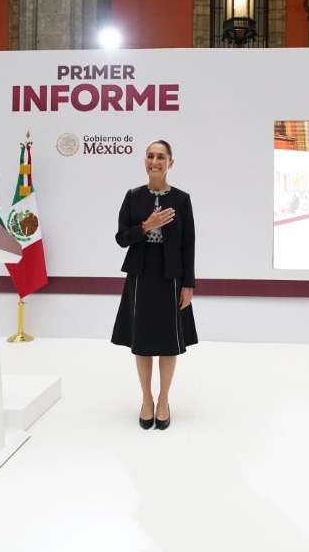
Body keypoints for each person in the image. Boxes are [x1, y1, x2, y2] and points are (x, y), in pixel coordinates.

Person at [111, 140, 197, 431]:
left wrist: (188, 284)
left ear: (170, 163)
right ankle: (146, 399)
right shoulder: (133, 196)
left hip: (171, 276)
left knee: (169, 341)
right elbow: (122, 238)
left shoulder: (182, 199)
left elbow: (188, 244)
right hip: (141, 274)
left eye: (161, 156)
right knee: (143, 341)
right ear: (144, 161)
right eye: (150, 156)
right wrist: (146, 225)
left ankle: (163, 400)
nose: (155, 161)